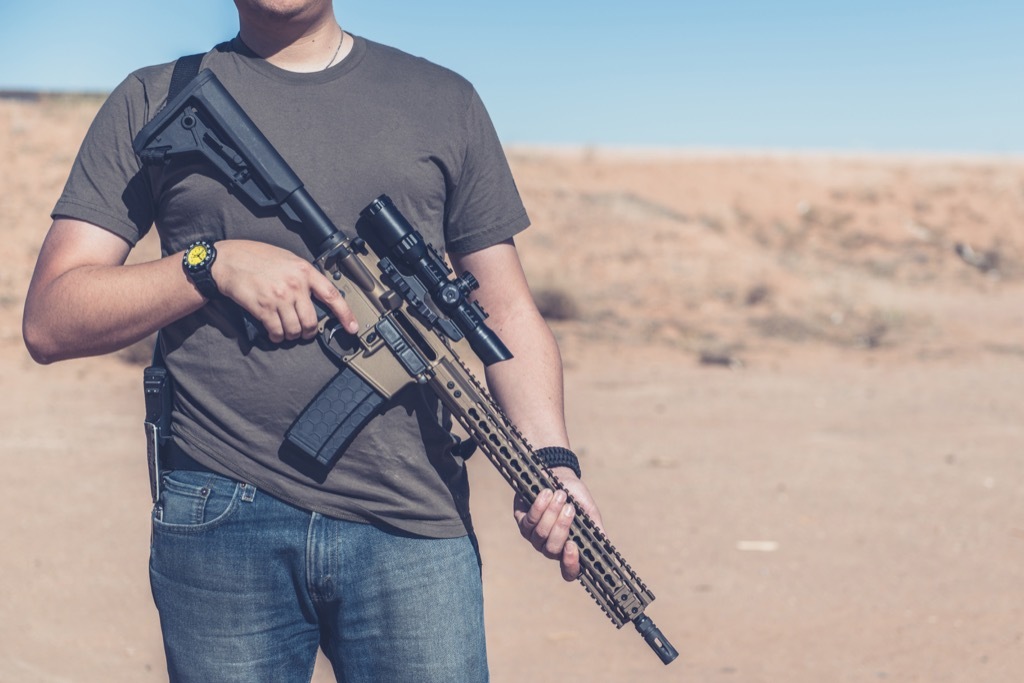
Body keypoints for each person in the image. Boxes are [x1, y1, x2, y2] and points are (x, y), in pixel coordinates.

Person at [23, 1, 603, 681]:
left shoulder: (442, 100)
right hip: (220, 514)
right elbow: (52, 317)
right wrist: (211, 266)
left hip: (414, 518)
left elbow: (505, 313)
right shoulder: (156, 98)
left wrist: (552, 464)